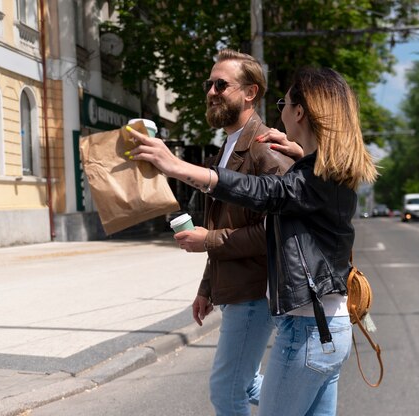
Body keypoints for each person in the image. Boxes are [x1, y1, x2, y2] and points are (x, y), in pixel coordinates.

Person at [126, 67, 378, 415]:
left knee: (231, 390)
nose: (281, 112)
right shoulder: (328, 173)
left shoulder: (310, 179)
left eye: (283, 103)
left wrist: (175, 166)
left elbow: (261, 191)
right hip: (331, 331)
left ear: (300, 112)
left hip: (307, 331)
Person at [171, 49, 294, 416]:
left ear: (250, 92)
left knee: (227, 392)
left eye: (221, 84)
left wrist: (206, 240)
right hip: (237, 287)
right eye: (209, 84)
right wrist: (207, 288)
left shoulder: (265, 150)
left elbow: (274, 232)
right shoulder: (227, 147)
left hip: (256, 290)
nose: (211, 91)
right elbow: (226, 223)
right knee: (250, 384)